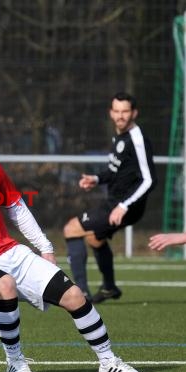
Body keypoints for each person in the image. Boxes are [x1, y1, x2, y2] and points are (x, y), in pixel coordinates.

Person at [0, 110, 140, 372]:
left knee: (75, 296)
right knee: (5, 285)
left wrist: (45, 248)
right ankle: (14, 362)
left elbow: (17, 210)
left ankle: (108, 361)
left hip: (11, 253)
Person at [63, 92, 156, 303]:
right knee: (94, 238)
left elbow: (149, 180)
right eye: (117, 111)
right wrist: (96, 178)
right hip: (116, 202)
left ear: (134, 113)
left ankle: (81, 295)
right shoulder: (119, 135)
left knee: (71, 229)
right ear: (111, 113)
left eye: (125, 112)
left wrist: (123, 206)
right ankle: (109, 288)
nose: (120, 116)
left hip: (125, 205)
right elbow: (117, 171)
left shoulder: (137, 140)